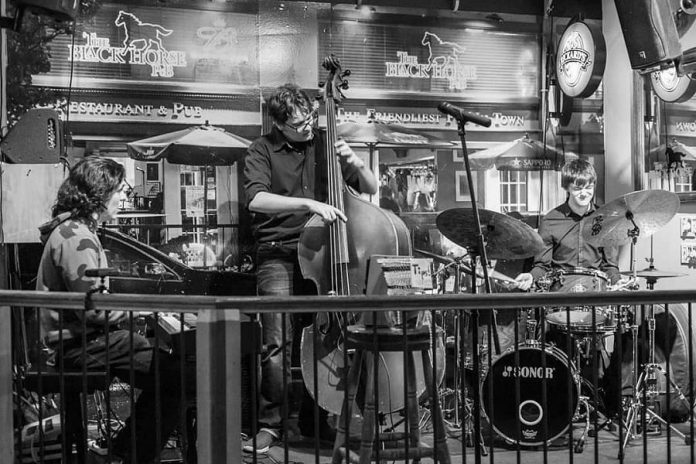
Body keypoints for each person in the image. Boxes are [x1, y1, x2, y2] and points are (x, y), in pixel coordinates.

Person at [242, 84, 378, 453]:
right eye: (299, 124)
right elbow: (256, 198)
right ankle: (272, 424)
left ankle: (317, 419)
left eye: (310, 119)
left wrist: (356, 162)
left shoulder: (325, 142)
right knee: (277, 343)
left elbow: (370, 188)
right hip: (280, 254)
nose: (307, 128)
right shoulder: (261, 149)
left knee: (324, 339)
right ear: (279, 124)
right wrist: (309, 204)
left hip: (322, 254)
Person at [37, 157, 192, 464]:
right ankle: (133, 453)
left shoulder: (75, 230)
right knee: (180, 375)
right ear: (100, 191)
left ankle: (127, 448)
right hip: (76, 346)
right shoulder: (75, 237)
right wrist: (144, 311)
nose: (125, 197)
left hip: (81, 341)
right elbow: (94, 311)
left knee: (170, 371)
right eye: (121, 190)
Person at [514, 159, 621, 291]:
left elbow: (610, 267)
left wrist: (618, 282)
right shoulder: (550, 221)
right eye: (577, 188)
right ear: (567, 188)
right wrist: (531, 276)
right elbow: (542, 266)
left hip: (595, 297)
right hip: (561, 297)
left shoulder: (605, 220)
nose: (584, 193)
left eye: (589, 188)